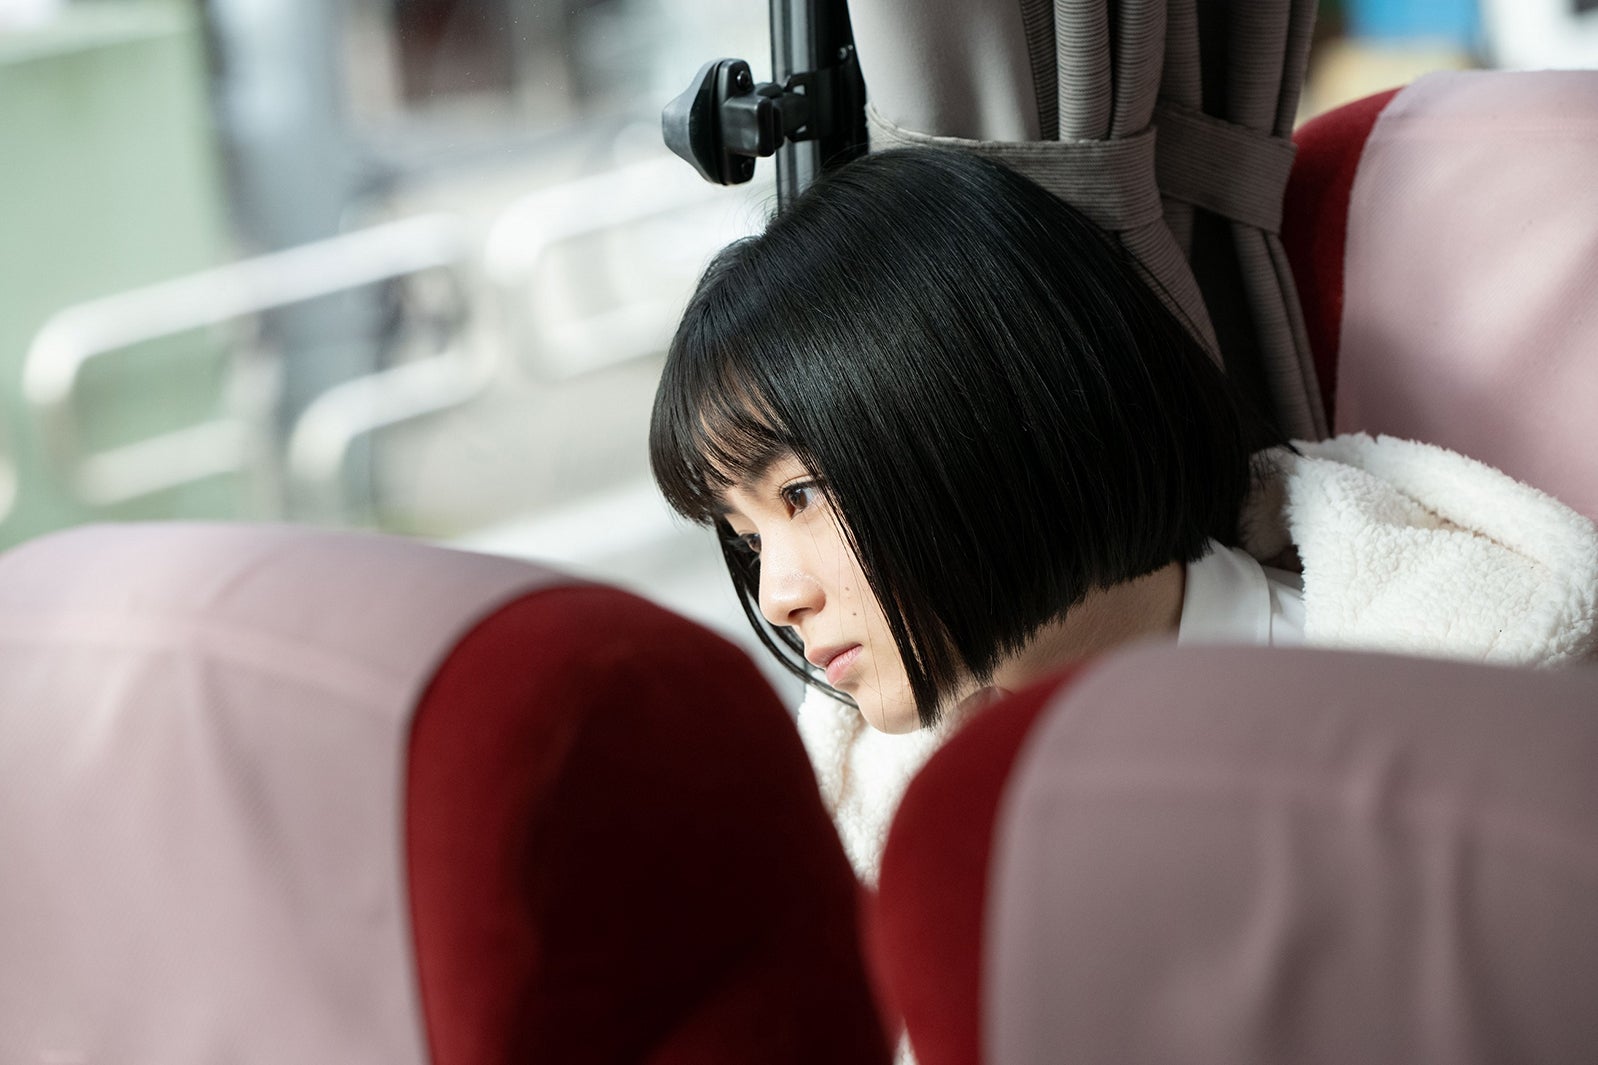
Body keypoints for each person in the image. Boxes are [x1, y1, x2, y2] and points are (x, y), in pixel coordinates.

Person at [649, 146, 1598, 880]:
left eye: (802, 495)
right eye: (747, 537)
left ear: (982, 416)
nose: (776, 594)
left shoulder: (1452, 721)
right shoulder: (877, 822)